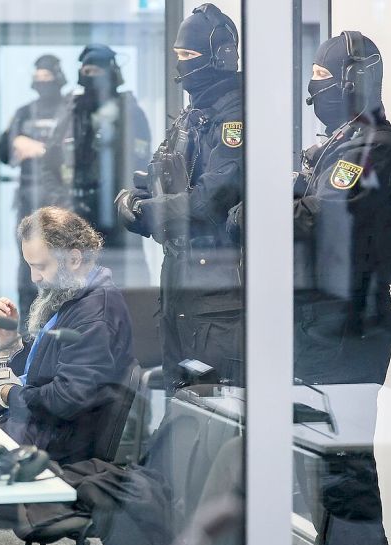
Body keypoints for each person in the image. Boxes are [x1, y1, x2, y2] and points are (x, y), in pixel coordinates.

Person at [231, 31, 391, 545]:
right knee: (322, 463)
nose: (313, 89)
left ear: (352, 80)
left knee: (343, 469)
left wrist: (260, 207)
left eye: (321, 78)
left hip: (346, 327)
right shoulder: (344, 142)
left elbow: (318, 219)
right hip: (321, 322)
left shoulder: (376, 149)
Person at [114, 4, 244, 392]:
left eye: (189, 54)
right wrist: (134, 202)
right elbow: (160, 178)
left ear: (220, 57)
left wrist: (150, 211)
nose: (181, 64)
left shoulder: (236, 117)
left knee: (212, 404)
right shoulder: (193, 114)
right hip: (178, 279)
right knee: (178, 396)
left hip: (216, 288)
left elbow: (210, 200)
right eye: (178, 55)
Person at [0, 206, 135, 464]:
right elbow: (40, 375)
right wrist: (9, 340)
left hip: (52, 450)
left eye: (40, 266)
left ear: (74, 259)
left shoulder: (94, 314)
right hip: (36, 433)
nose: (34, 277)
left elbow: (68, 397)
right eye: (30, 266)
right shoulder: (74, 296)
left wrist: (8, 395)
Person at [43, 44, 152, 289]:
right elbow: (49, 164)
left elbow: (140, 166)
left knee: (123, 288)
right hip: (74, 215)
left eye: (97, 71)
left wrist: (126, 204)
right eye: (87, 71)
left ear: (112, 73)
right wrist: (61, 202)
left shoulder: (130, 112)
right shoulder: (70, 111)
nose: (91, 77)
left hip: (117, 218)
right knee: (72, 289)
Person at [0, 54, 71, 330]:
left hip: (62, 205)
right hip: (28, 203)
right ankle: (29, 335)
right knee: (28, 270)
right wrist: (16, 143)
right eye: (38, 78)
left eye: (47, 78)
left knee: (61, 269)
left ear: (58, 79)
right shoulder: (24, 113)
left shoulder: (70, 111)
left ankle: (60, 331)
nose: (42, 84)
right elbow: (4, 152)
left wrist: (41, 150)